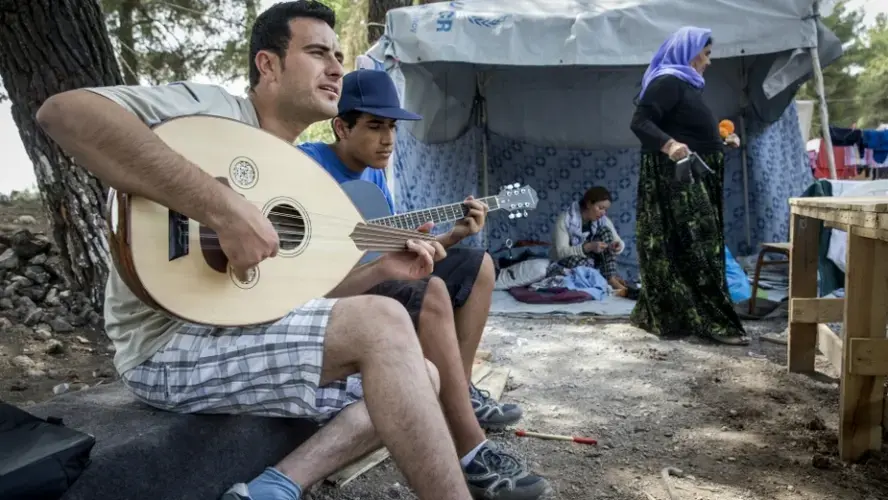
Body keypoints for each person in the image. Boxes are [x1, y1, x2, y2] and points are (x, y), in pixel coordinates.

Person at [35, 3, 478, 500]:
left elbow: (292, 293)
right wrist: (223, 208)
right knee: (388, 323)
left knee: (426, 373)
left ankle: (273, 487)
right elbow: (64, 113)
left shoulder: (294, 169)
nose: (337, 67)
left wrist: (381, 271)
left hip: (242, 329)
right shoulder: (214, 110)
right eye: (316, 52)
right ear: (268, 65)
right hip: (168, 345)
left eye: (337, 54)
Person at [296, 69, 550, 499]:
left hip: (369, 275)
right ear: (342, 126)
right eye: (375, 126)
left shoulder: (375, 178)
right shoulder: (307, 165)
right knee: (430, 292)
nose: (388, 139)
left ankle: (460, 391)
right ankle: (472, 454)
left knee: (478, 264)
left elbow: (391, 250)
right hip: (325, 292)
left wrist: (452, 237)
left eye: (392, 127)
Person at [628, 26, 748, 345]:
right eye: (706, 54)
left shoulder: (687, 85)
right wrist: (669, 146)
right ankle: (710, 320)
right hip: (677, 180)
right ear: (689, 51)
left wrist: (722, 141)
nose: (709, 62)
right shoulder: (667, 81)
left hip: (695, 176)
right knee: (697, 246)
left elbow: (688, 128)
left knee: (693, 246)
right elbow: (640, 122)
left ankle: (684, 314)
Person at [549, 186, 631, 296]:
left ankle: (611, 278)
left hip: (593, 262)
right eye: (600, 208)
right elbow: (561, 253)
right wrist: (588, 247)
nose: (603, 213)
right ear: (588, 204)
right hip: (569, 262)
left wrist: (616, 246)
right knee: (580, 265)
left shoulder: (603, 220)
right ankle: (604, 278)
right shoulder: (565, 219)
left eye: (606, 210)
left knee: (605, 231)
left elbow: (618, 241)